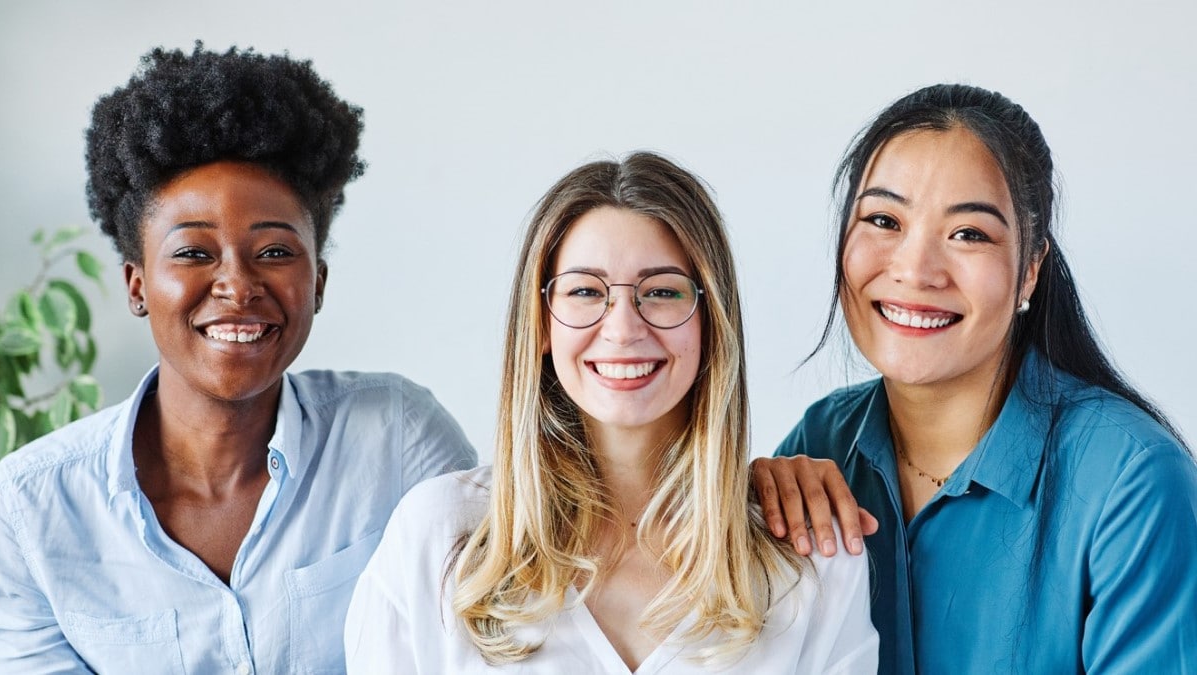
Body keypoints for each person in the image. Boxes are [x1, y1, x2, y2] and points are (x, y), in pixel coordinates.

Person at [0, 44, 476, 674]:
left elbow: (480, 649)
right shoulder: (30, 512)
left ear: (319, 282)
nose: (238, 284)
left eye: (275, 252)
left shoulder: (400, 440)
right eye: (194, 253)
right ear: (137, 284)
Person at [343, 152, 879, 673]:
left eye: (662, 291)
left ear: (711, 323)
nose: (623, 328)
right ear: (542, 325)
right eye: (584, 291)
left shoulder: (815, 560)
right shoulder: (438, 537)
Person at [750, 84, 1197, 673]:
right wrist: (743, 502)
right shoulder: (821, 445)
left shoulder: (1132, 481)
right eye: (884, 220)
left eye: (970, 234)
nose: (915, 270)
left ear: (1030, 269)